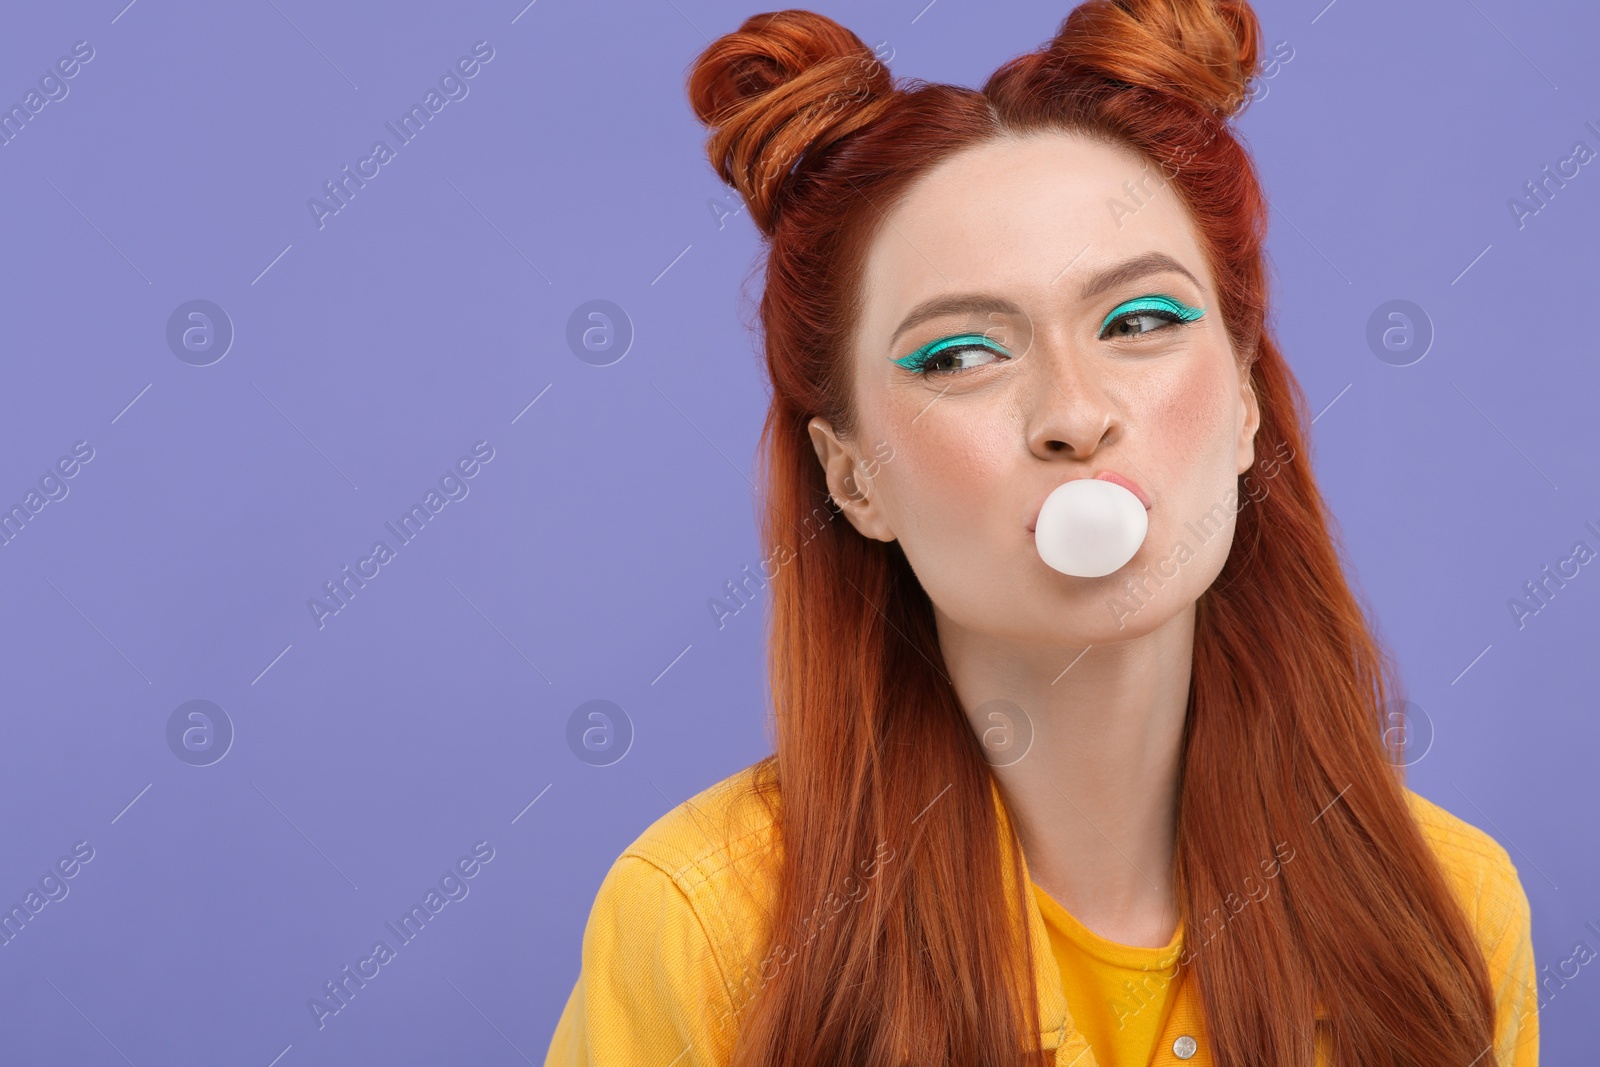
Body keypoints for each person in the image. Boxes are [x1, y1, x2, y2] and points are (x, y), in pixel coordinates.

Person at [544, 2, 1539, 1063]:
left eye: (1140, 322)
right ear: (853, 478)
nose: (1073, 413)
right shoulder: (707, 929)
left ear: (1246, 405)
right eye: (962, 354)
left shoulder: (1448, 907)